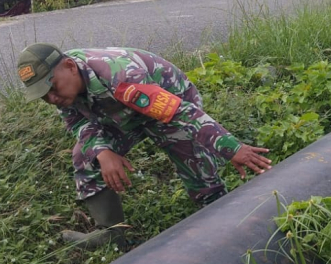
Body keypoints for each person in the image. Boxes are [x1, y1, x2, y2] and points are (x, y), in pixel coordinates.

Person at [16, 43, 272, 249]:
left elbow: (180, 113)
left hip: (168, 107)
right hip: (118, 114)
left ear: (70, 67)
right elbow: (78, 122)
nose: (52, 98)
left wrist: (232, 148)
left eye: (52, 88)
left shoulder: (120, 76)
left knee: (192, 158)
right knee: (85, 153)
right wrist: (103, 152)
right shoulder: (65, 89)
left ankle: (219, 210)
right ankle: (111, 232)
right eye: (43, 96)